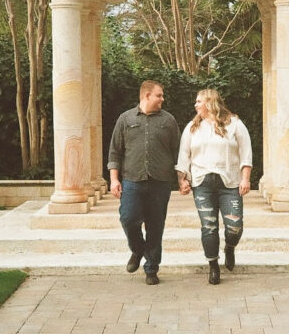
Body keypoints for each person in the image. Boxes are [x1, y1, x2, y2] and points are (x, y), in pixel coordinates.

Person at [107, 80, 180, 285]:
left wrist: (182, 178)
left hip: (160, 182)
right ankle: (138, 250)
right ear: (146, 95)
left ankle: (151, 269)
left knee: (156, 226)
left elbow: (178, 152)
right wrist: (114, 180)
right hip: (132, 180)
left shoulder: (168, 121)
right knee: (128, 219)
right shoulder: (125, 118)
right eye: (159, 95)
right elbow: (115, 151)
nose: (162, 99)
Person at [176, 88, 252, 284]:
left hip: (230, 184)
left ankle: (230, 247)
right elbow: (184, 155)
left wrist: (245, 178)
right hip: (202, 184)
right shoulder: (192, 127)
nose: (195, 105)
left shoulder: (234, 124)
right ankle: (213, 266)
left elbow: (246, 152)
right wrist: (182, 179)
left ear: (210, 103)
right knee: (208, 226)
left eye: (199, 101)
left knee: (234, 226)